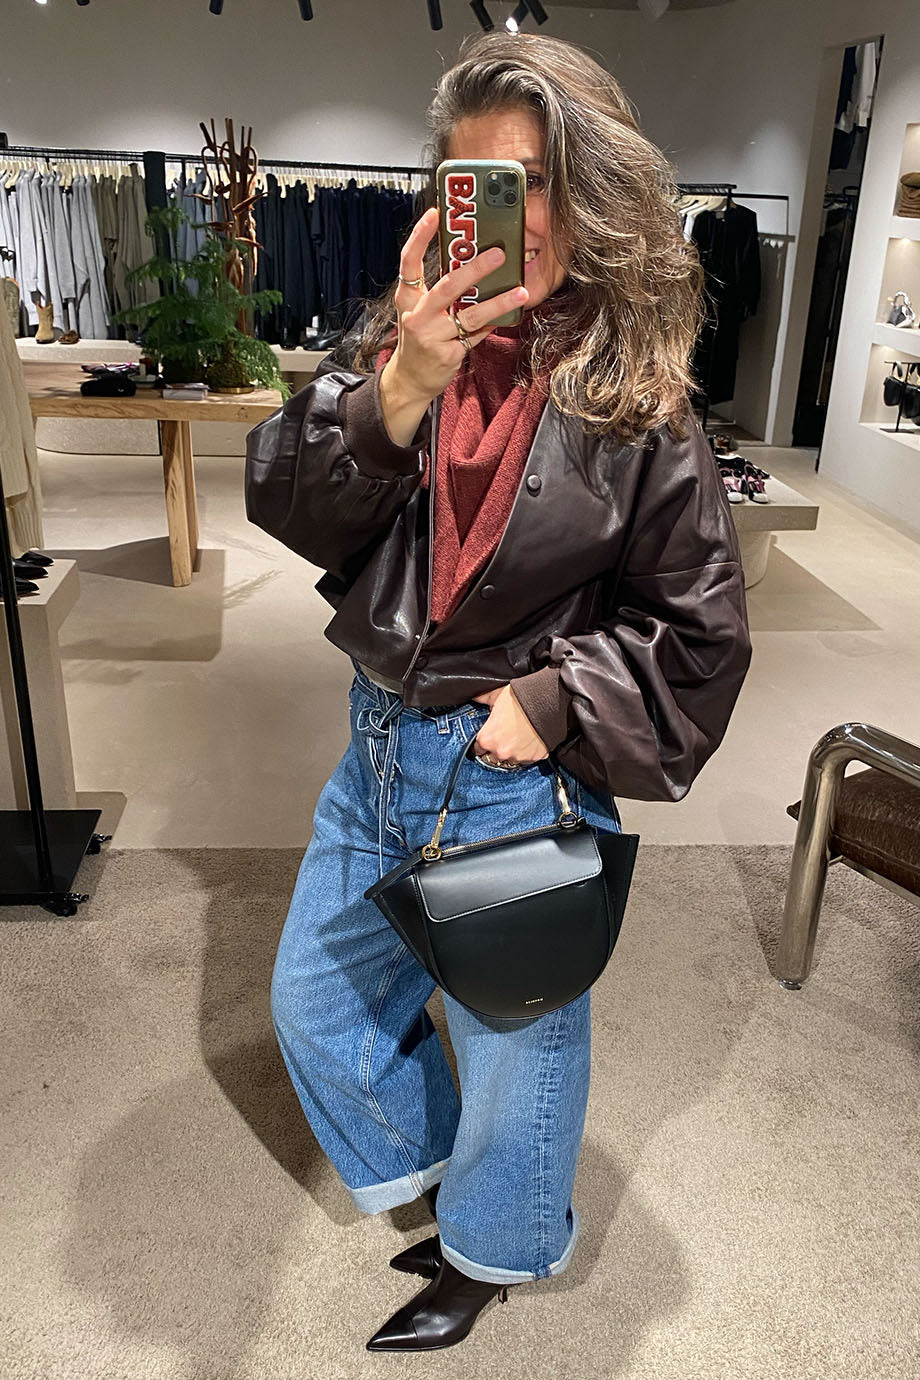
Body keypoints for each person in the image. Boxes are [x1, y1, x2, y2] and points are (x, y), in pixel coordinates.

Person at [245, 29, 752, 1354]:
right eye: (476, 183)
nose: (506, 220)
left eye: (530, 185)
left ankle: (489, 1249)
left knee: (521, 1049)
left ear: (585, 197)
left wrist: (556, 702)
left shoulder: (640, 402)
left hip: (512, 771)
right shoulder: (402, 341)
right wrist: (401, 384)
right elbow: (291, 504)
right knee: (317, 1004)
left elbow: (700, 630)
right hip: (377, 751)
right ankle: (447, 1186)